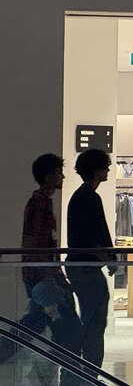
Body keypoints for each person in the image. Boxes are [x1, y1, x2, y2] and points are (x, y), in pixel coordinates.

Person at [19, 153, 82, 362]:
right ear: (48, 176)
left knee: (37, 322)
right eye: (58, 173)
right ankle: (66, 371)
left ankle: (56, 369)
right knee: (68, 326)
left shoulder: (43, 202)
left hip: (44, 274)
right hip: (43, 276)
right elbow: (35, 243)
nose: (62, 177)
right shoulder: (39, 203)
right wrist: (48, 276)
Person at [65, 148, 117, 370]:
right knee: (94, 320)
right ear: (96, 170)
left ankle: (86, 368)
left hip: (83, 266)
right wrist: (107, 257)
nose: (108, 171)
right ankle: (89, 369)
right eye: (105, 167)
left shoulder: (83, 196)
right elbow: (90, 235)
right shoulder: (88, 197)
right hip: (85, 267)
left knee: (92, 318)